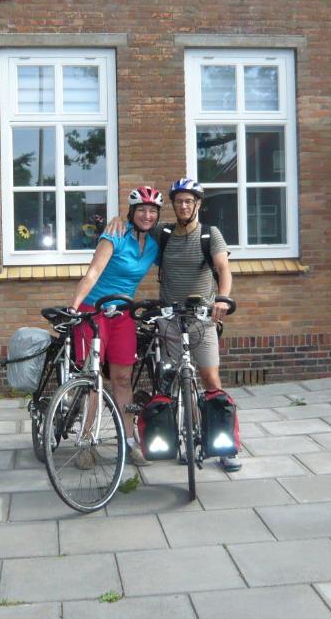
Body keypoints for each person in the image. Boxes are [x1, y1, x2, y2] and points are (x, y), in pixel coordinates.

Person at [107, 177, 239, 472]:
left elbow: (223, 269)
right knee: (176, 381)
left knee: (210, 381)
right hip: (168, 321)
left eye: (189, 201)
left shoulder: (210, 234)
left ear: (197, 205)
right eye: (178, 201)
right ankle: (188, 437)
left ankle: (224, 446)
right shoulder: (163, 232)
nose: (183, 206)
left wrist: (223, 298)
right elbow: (137, 223)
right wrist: (118, 218)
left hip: (202, 319)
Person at [68, 185, 163, 467]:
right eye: (142, 210)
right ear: (131, 212)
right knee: (93, 378)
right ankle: (85, 441)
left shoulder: (155, 245)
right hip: (94, 311)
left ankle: (130, 442)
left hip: (124, 315)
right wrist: (74, 307)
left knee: (123, 379)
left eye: (153, 211)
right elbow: (93, 273)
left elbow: (181, 240)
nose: (147, 215)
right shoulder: (115, 236)